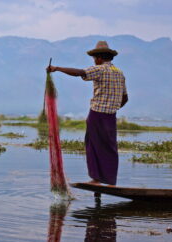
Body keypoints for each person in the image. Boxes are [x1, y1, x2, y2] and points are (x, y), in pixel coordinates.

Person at [46, 41, 128, 185]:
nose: (94, 61)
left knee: (93, 145)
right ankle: (110, 181)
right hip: (111, 116)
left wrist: (57, 68)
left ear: (99, 58)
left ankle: (96, 179)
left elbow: (80, 73)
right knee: (110, 147)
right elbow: (125, 98)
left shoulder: (100, 69)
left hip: (97, 114)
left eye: (95, 58)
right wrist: (113, 107)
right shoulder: (120, 73)